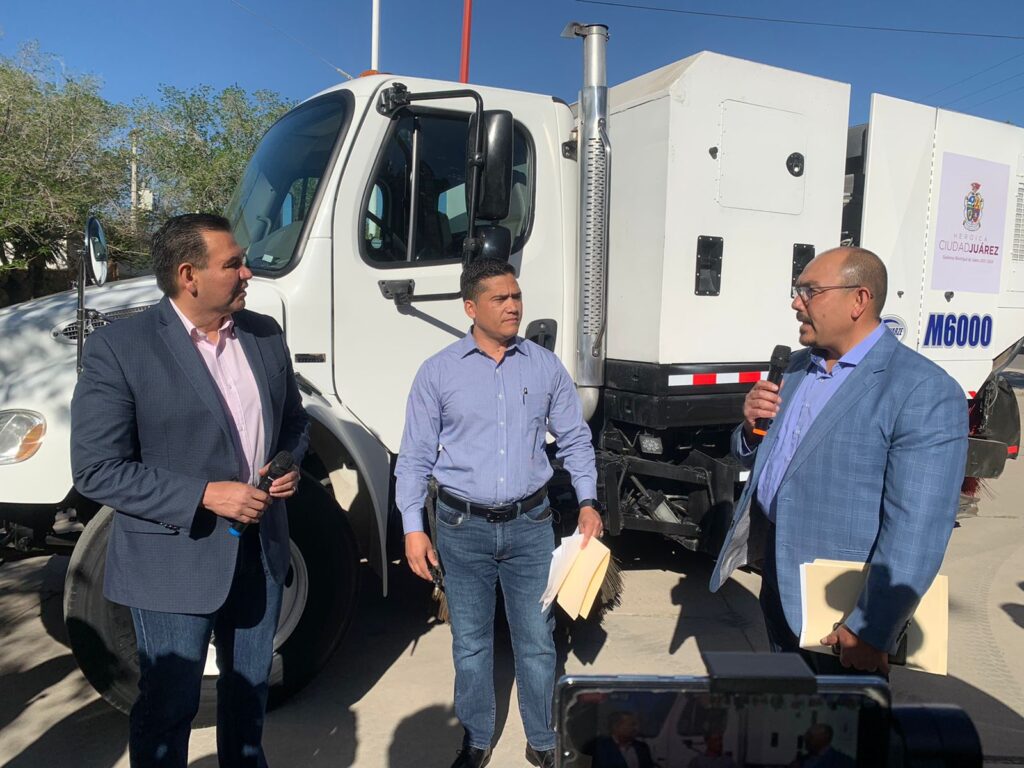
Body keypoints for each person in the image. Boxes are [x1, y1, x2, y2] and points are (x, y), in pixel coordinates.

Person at [71, 213, 309, 768]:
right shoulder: (121, 348)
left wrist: (288, 463)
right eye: (233, 264)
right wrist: (205, 494)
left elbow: (295, 422)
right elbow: (97, 469)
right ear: (188, 276)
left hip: (262, 551)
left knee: (249, 695)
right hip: (175, 559)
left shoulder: (264, 334)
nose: (247, 272)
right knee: (169, 706)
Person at [710, 246, 967, 675]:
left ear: (859, 300)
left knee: (844, 717)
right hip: (778, 578)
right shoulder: (795, 369)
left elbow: (918, 527)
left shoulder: (923, 390)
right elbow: (757, 453)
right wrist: (750, 429)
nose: (797, 303)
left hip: (845, 609)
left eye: (810, 291)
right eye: (797, 291)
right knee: (791, 705)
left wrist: (872, 627)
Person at [395, 258, 602, 768]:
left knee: (537, 639)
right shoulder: (438, 372)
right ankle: (476, 738)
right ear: (471, 307)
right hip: (461, 527)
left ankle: (542, 739)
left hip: (530, 525)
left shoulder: (543, 366)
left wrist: (588, 500)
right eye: (500, 298)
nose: (513, 306)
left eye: (517, 296)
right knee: (470, 642)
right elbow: (415, 457)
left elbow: (575, 439)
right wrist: (413, 528)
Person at [790, 724, 855, 768]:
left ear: (823, 738)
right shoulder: (803, 759)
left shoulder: (843, 762)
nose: (805, 738)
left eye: (810, 736)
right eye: (806, 735)